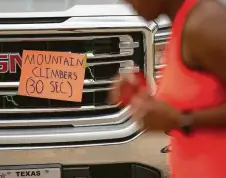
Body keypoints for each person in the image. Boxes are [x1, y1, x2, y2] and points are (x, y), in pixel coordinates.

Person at [108, 0, 226, 178]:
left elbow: (180, 116)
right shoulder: (183, 22)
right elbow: (200, 98)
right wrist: (143, 94)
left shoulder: (205, 24)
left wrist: (182, 119)